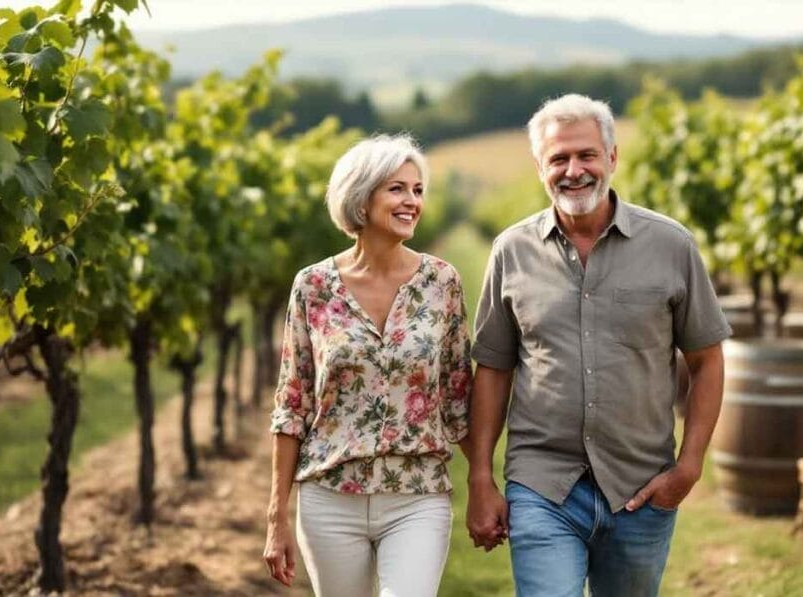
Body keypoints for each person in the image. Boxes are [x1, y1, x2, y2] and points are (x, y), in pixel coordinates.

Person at [465, 94, 731, 597]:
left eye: (586, 155)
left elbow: (706, 359)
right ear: (540, 167)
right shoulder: (511, 251)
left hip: (641, 488)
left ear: (612, 157)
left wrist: (690, 467)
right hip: (542, 484)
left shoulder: (671, 246)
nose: (574, 170)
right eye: (558, 159)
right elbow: (494, 369)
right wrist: (481, 477)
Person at [263, 134, 472, 597]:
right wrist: (278, 516)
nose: (412, 201)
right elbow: (292, 403)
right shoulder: (313, 286)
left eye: (417, 190)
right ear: (361, 197)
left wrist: (484, 487)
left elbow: (459, 397)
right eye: (397, 188)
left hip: (417, 494)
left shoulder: (442, 282)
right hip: (330, 495)